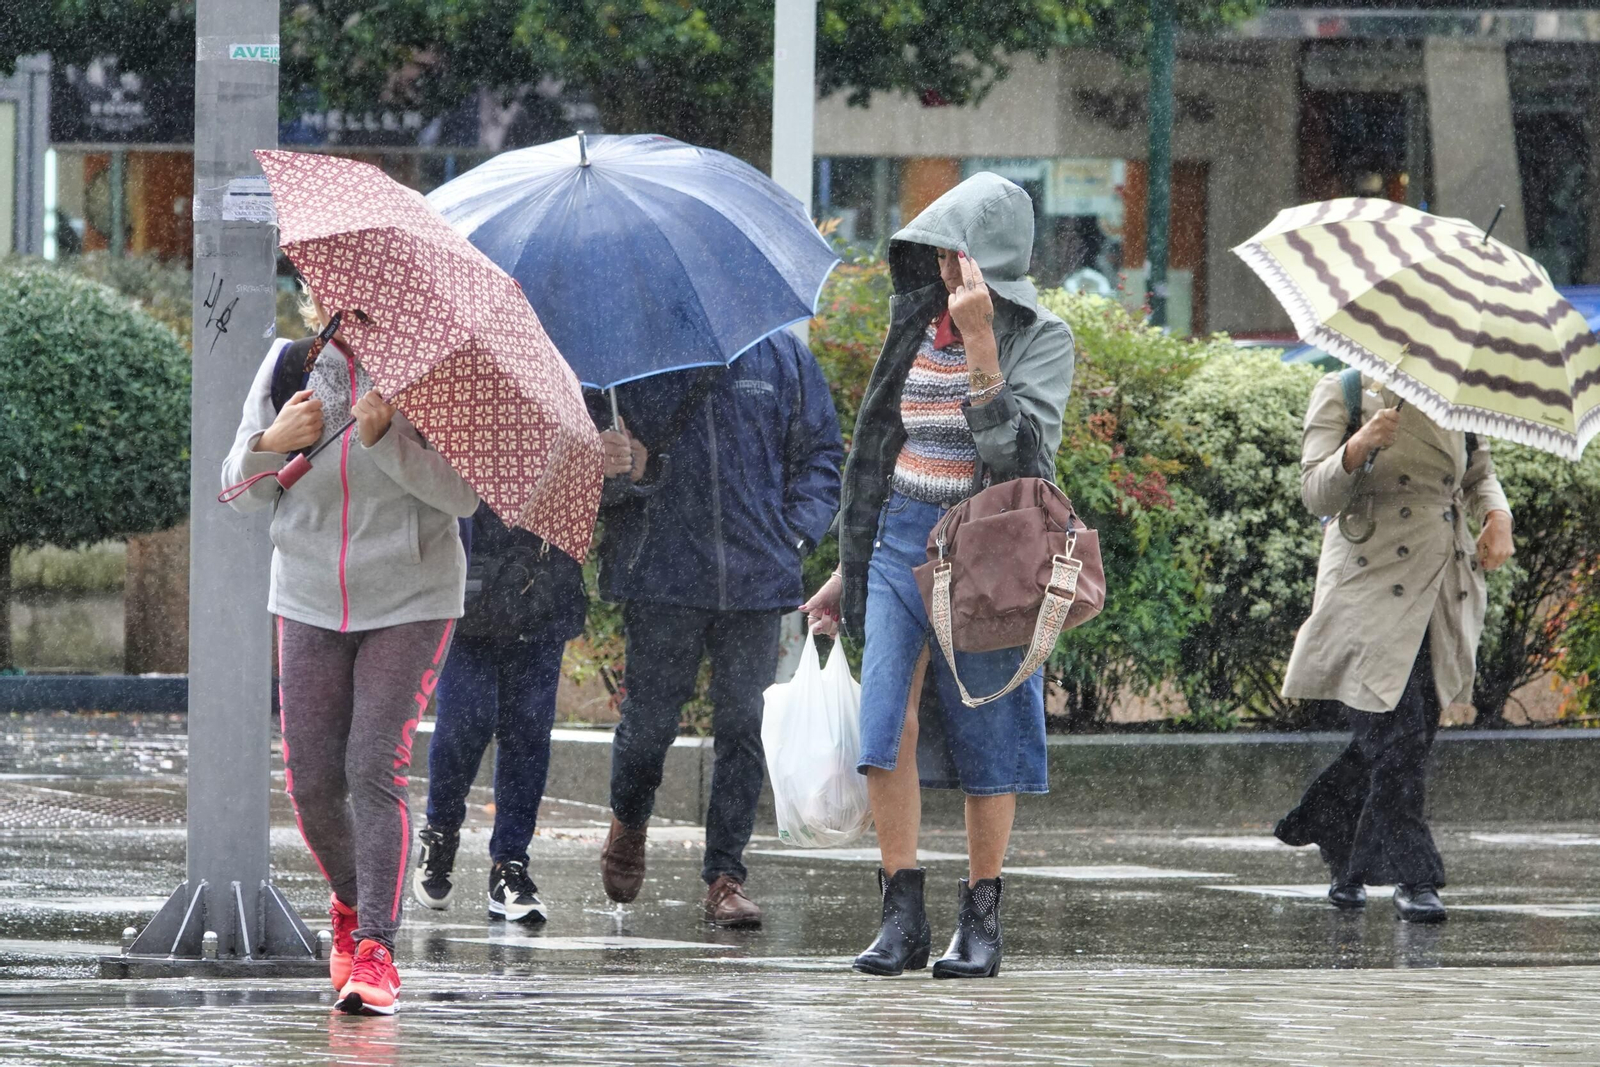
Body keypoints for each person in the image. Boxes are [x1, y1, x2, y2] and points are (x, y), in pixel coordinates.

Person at [803, 173, 1076, 979]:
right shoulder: (916, 323)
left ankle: (981, 915)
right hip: (898, 538)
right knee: (886, 722)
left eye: (956, 251)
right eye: (933, 252)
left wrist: (984, 344)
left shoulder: (1042, 334)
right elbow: (880, 454)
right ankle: (901, 913)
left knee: (989, 724)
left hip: (989, 546)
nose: (943, 267)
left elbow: (1025, 462)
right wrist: (847, 569)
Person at [221, 289, 478, 1015]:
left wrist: (387, 442)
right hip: (305, 596)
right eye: (325, 293)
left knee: (372, 764)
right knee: (309, 781)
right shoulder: (287, 367)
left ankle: (376, 949)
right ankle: (350, 898)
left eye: (364, 301)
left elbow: (462, 499)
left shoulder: (436, 378)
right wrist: (272, 442)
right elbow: (235, 490)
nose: (343, 307)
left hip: (412, 598)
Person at [595, 330, 844, 928]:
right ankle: (629, 821)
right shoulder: (635, 356)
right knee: (649, 726)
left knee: (743, 725)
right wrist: (623, 470)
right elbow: (602, 476)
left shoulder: (782, 356)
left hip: (756, 576)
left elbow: (821, 454)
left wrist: (796, 536)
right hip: (662, 574)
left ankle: (726, 874)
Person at [1273, 373, 1514, 923]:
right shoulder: (1346, 390)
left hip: (1440, 586)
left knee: (1403, 735)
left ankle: (1336, 835)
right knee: (1398, 733)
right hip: (1369, 581)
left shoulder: (1459, 395)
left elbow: (1480, 475)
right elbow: (1315, 492)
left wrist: (1497, 516)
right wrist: (1358, 447)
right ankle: (1417, 875)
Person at [411, 500, 597, 925]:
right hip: (468, 585)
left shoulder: (573, 433)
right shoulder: (467, 435)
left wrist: (628, 471)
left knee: (529, 731)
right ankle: (440, 833)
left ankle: (511, 865)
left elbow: (607, 496)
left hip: (544, 589)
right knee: (466, 719)